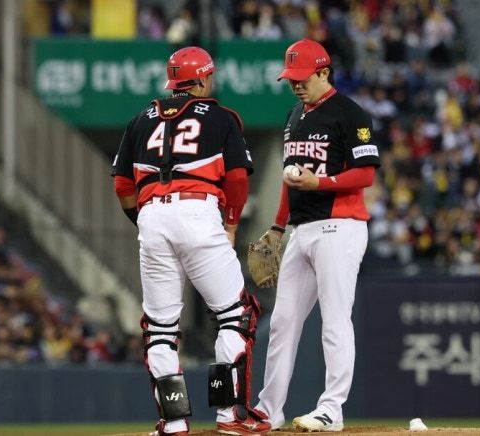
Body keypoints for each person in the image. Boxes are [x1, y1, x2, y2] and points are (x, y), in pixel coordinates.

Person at [112, 46, 271, 436]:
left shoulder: (139, 120)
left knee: (160, 328)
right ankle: (229, 414)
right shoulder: (220, 117)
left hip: (152, 216)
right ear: (201, 79)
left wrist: (146, 220)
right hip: (199, 212)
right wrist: (231, 223)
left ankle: (174, 422)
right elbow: (237, 179)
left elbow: (123, 186)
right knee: (234, 315)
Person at [254, 39, 381, 432]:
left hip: (340, 226)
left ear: (324, 72)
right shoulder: (294, 115)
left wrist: (321, 182)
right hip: (301, 229)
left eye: (302, 78)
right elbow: (289, 179)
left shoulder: (351, 114)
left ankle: (331, 409)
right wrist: (278, 227)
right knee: (282, 322)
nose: (296, 85)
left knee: (335, 319)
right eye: (291, 79)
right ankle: (268, 411)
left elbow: (366, 174)